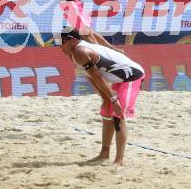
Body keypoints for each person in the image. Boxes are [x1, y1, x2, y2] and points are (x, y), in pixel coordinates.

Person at [59, 27, 144, 165]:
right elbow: (91, 77)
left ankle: (119, 160)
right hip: (117, 79)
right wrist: (106, 98)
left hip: (132, 77)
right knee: (106, 112)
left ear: (73, 41)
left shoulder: (81, 51)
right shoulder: (73, 52)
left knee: (118, 115)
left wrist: (113, 99)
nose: (60, 45)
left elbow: (97, 76)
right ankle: (104, 154)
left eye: (62, 41)